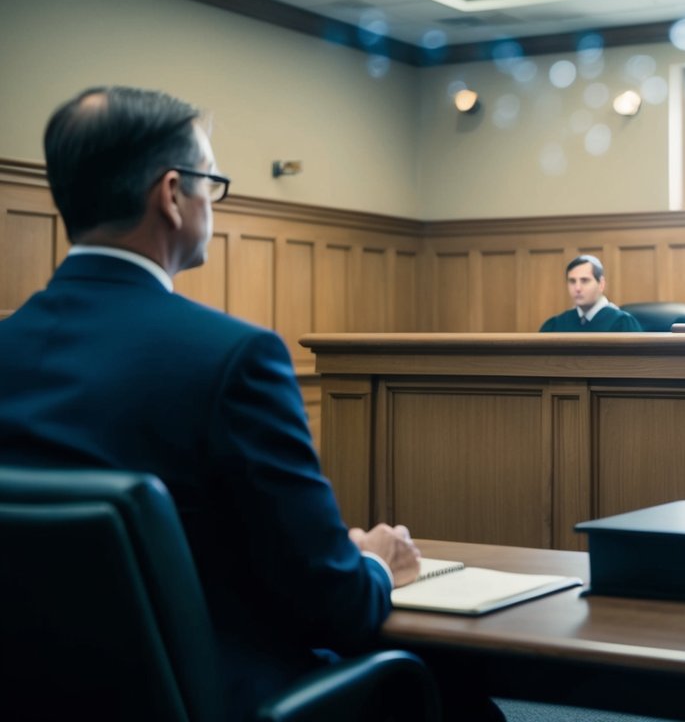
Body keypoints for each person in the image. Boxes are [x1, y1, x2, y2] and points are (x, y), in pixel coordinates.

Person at [0, 87, 425, 721]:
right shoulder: (234, 357)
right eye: (211, 182)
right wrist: (374, 564)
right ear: (172, 194)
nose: (212, 201)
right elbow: (333, 606)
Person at [538, 254, 643, 332]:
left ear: (601, 284)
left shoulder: (623, 323)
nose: (577, 288)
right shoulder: (556, 324)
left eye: (584, 280)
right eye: (572, 281)